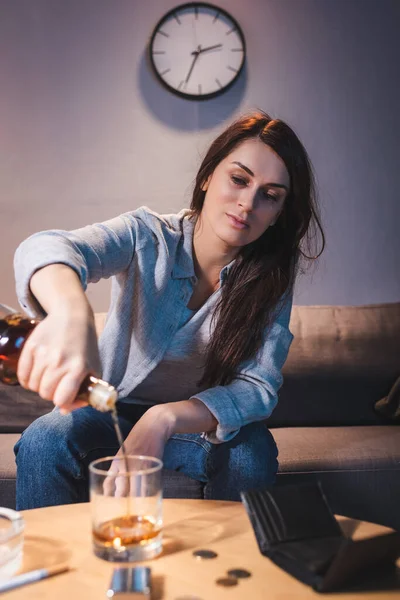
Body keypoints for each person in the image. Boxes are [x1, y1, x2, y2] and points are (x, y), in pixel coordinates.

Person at [13, 111, 324, 509]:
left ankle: (230, 571)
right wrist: (71, 314)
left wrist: (164, 418)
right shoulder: (148, 236)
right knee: (45, 438)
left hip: (191, 425)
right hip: (106, 408)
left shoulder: (272, 275)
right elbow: (47, 247)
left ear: (280, 212)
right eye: (239, 179)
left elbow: (257, 389)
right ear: (207, 176)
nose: (248, 203)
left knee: (251, 449)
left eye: (271, 195)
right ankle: (50, 570)